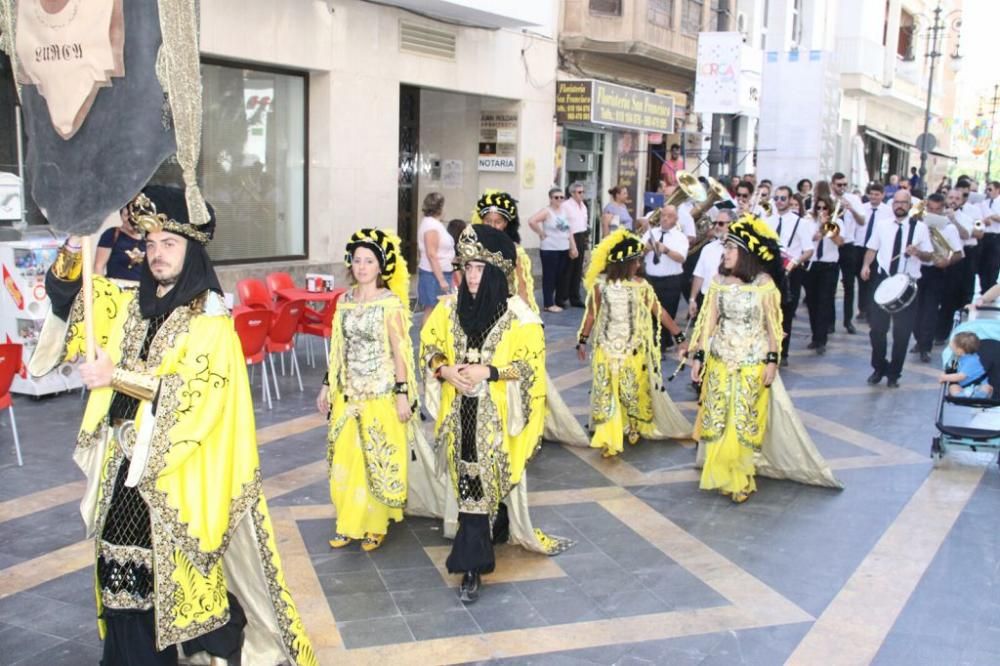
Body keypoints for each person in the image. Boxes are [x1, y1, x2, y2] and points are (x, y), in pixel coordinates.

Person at [31, 186, 316, 665]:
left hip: (176, 482)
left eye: (170, 244)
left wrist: (115, 375)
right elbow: (69, 295)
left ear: (192, 250)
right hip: (123, 471)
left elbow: (196, 395)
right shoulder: (132, 306)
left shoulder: (210, 319)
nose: (157, 254)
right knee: (121, 581)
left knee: (171, 589)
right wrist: (76, 238)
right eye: (152, 243)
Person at [420, 224, 573, 603]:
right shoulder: (448, 309)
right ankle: (494, 523)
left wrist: (490, 372)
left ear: (494, 271)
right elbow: (430, 346)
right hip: (458, 414)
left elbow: (530, 367)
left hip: (497, 416)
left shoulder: (518, 317)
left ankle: (471, 564)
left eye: (478, 269)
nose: (470, 276)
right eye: (466, 268)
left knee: (483, 480)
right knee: (469, 481)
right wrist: (444, 370)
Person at [687, 214, 841, 503]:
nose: (726, 254)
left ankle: (741, 476)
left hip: (752, 362)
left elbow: (773, 326)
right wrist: (699, 357)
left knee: (743, 418)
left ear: (745, 253)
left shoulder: (764, 284)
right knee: (720, 416)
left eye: (731, 249)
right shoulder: (718, 281)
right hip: (721, 360)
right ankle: (722, 471)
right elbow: (708, 323)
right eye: (725, 249)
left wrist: (772, 361)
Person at [318, 229, 419, 552]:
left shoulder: (389, 304)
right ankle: (347, 523)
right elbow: (338, 348)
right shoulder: (344, 302)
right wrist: (326, 385)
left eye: (369, 261)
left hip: (380, 394)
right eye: (358, 260)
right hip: (347, 393)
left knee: (376, 459)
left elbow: (400, 351)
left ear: (380, 267)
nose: (362, 267)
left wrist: (402, 393)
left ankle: (376, 524)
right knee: (345, 461)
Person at [575, 228, 692, 457]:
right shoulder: (601, 286)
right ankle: (608, 436)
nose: (639, 266)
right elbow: (592, 314)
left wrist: (679, 336)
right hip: (606, 348)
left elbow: (659, 311)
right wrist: (582, 339)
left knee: (631, 390)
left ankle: (633, 425)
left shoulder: (642, 286)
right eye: (636, 261)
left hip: (633, 349)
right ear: (623, 263)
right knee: (606, 391)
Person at [860, 189, 935, 387]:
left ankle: (894, 374)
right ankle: (878, 367)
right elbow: (872, 248)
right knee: (877, 329)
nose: (899, 206)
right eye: (896, 203)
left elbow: (930, 256)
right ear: (892, 205)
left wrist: (917, 252)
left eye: (903, 203)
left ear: (910, 205)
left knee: (902, 333)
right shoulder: (882, 225)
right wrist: (866, 265)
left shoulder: (919, 228)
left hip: (908, 285)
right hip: (883, 282)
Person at [912, 193, 964, 362]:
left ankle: (926, 347)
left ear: (942, 209)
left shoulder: (949, 228)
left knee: (930, 310)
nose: (933, 212)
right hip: (917, 269)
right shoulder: (919, 225)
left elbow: (959, 253)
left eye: (937, 209)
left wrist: (947, 262)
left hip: (936, 272)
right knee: (916, 310)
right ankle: (919, 340)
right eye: (930, 209)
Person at [766, 186, 814, 364]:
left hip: (791, 272)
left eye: (783, 198)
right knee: (768, 308)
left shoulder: (799, 223)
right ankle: (769, 347)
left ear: (790, 199)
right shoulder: (767, 221)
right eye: (776, 198)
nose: (779, 201)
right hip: (771, 271)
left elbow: (809, 250)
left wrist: (795, 262)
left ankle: (782, 352)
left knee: (786, 311)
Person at [642, 203, 689, 348]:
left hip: (671, 281)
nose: (664, 219)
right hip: (651, 279)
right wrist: (647, 248)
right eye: (663, 215)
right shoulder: (652, 233)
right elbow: (638, 253)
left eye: (669, 216)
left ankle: (661, 345)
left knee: (667, 314)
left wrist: (666, 250)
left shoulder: (680, 237)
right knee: (650, 314)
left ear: (676, 219)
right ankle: (656, 343)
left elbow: (682, 258)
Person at [803, 195, 844, 355]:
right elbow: (806, 241)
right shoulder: (809, 222)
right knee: (812, 302)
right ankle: (815, 336)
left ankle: (822, 339)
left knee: (824, 301)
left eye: (824, 208)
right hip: (812, 264)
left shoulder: (836, 222)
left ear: (830, 209)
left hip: (829, 265)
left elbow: (840, 242)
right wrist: (815, 235)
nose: (821, 211)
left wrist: (828, 228)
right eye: (818, 208)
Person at [528, 187, 579, 312]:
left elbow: (569, 230)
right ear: (551, 199)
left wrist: (573, 246)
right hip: (550, 249)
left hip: (563, 248)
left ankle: (557, 300)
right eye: (556, 197)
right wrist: (540, 232)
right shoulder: (547, 211)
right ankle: (548, 303)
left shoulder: (564, 211)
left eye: (562, 197)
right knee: (549, 276)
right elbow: (532, 221)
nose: (559, 200)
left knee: (560, 276)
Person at [831, 173, 866, 334]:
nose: (842, 188)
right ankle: (829, 322)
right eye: (839, 185)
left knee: (849, 285)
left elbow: (862, 221)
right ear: (832, 184)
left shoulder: (853, 199)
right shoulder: (827, 198)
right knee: (829, 285)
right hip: (832, 245)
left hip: (849, 246)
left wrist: (851, 209)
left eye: (845, 184)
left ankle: (847, 320)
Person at [855, 182, 894, 321]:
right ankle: (862, 309)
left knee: (873, 281)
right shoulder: (862, 208)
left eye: (877, 194)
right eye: (871, 194)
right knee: (861, 280)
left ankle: (871, 309)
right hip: (860, 247)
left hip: (877, 249)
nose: (873, 197)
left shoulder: (889, 211)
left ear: (882, 195)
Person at [418, 192, 455, 318]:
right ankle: (426, 338)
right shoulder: (431, 225)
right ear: (439, 208)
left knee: (437, 311)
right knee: (432, 311)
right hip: (434, 276)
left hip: (437, 274)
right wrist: (442, 280)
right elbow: (431, 254)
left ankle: (430, 337)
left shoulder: (433, 223)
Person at [689, 211, 732, 317]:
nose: (716, 226)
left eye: (721, 223)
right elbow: (699, 275)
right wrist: (692, 299)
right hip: (706, 299)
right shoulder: (708, 248)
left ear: (731, 224)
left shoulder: (739, 250)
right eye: (715, 223)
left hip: (730, 301)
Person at [95, 206, 146, 282]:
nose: (129, 219)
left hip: (141, 289)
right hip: (116, 288)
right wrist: (101, 288)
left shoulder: (148, 239)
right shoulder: (112, 234)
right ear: (121, 216)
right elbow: (98, 266)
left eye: (133, 216)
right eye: (126, 215)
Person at [561, 182, 590, 308]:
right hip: (570, 237)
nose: (582, 194)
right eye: (579, 192)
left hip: (581, 236)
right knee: (567, 268)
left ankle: (575, 297)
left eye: (583, 192)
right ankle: (562, 296)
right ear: (572, 193)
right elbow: (564, 225)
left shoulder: (583, 206)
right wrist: (570, 244)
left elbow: (584, 224)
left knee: (578, 269)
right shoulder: (566, 206)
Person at [939, 332, 992, 398]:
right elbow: (953, 369)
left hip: (978, 384)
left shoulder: (972, 360)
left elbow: (961, 376)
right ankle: (962, 396)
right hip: (963, 385)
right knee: (953, 387)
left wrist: (945, 377)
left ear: (959, 350)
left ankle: (978, 395)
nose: (950, 344)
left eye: (953, 342)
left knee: (987, 387)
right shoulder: (957, 356)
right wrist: (948, 372)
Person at [978, 180, 1000, 293]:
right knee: (982, 263)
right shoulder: (984, 202)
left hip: (996, 236)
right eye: (987, 189)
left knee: (993, 263)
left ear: (997, 190)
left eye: (990, 189)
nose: (988, 191)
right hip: (984, 235)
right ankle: (984, 287)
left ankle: (991, 287)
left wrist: (991, 215)